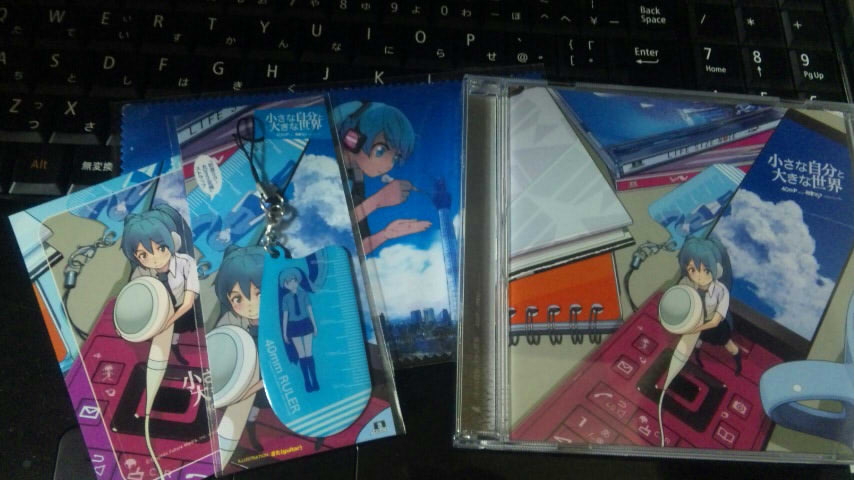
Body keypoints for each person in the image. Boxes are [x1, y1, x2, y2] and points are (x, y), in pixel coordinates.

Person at [333, 101, 430, 254]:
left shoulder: (356, 178)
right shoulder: (323, 172)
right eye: (380, 151)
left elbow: (351, 251)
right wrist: (377, 201)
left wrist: (386, 234)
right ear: (352, 139)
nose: (388, 165)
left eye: (395, 158)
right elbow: (328, 230)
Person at [121, 204, 199, 364]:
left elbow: (188, 303)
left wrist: (165, 325)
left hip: (183, 310)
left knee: (181, 333)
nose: (154, 258)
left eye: (161, 248)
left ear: (174, 241)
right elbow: (135, 301)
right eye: (143, 254)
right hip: (158, 313)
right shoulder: (140, 273)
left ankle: (175, 347)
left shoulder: (186, 263)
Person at [214, 245, 268, 451]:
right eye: (238, 298)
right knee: (252, 410)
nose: (251, 305)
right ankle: (250, 433)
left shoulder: (281, 317)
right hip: (248, 372)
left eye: (259, 293)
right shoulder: (230, 321)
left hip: (274, 372)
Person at [677, 236, 742, 374]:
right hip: (699, 324)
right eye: (692, 270)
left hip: (717, 327)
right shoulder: (688, 284)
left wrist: (693, 329)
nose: (699, 276)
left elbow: (715, 321)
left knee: (730, 347)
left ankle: (738, 367)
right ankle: (697, 359)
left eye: (705, 270)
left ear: (716, 269)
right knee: (697, 345)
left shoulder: (721, 291)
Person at [280, 267, 319, 392]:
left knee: (309, 353)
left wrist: (314, 326)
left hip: (305, 323)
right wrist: (284, 333)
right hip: (293, 326)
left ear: (297, 281)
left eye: (294, 281)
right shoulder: (285, 298)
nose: (292, 284)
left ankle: (314, 380)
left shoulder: (304, 294)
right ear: (285, 285)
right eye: (289, 282)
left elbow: (310, 310)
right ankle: (307, 382)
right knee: (301, 354)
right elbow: (285, 316)